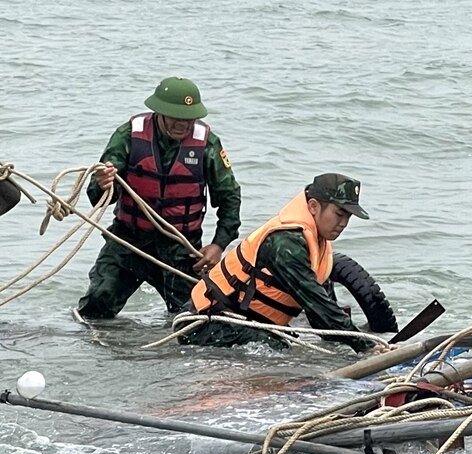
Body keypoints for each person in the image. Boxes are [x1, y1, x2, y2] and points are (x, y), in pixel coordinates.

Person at [76, 76, 242, 318]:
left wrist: (218, 245)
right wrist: (103, 184)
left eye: (188, 118)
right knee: (96, 305)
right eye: (176, 117)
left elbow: (230, 197)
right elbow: (97, 196)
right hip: (128, 242)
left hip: (181, 248)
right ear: (158, 113)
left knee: (194, 318)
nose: (182, 125)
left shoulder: (207, 144)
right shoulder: (128, 136)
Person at [179, 173, 383, 354]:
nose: (343, 223)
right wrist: (366, 346)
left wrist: (362, 341)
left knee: (286, 345)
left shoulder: (318, 244)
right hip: (203, 323)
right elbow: (320, 308)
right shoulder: (286, 244)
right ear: (313, 206)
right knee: (279, 350)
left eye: (348, 216)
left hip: (245, 323)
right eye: (339, 214)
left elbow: (324, 315)